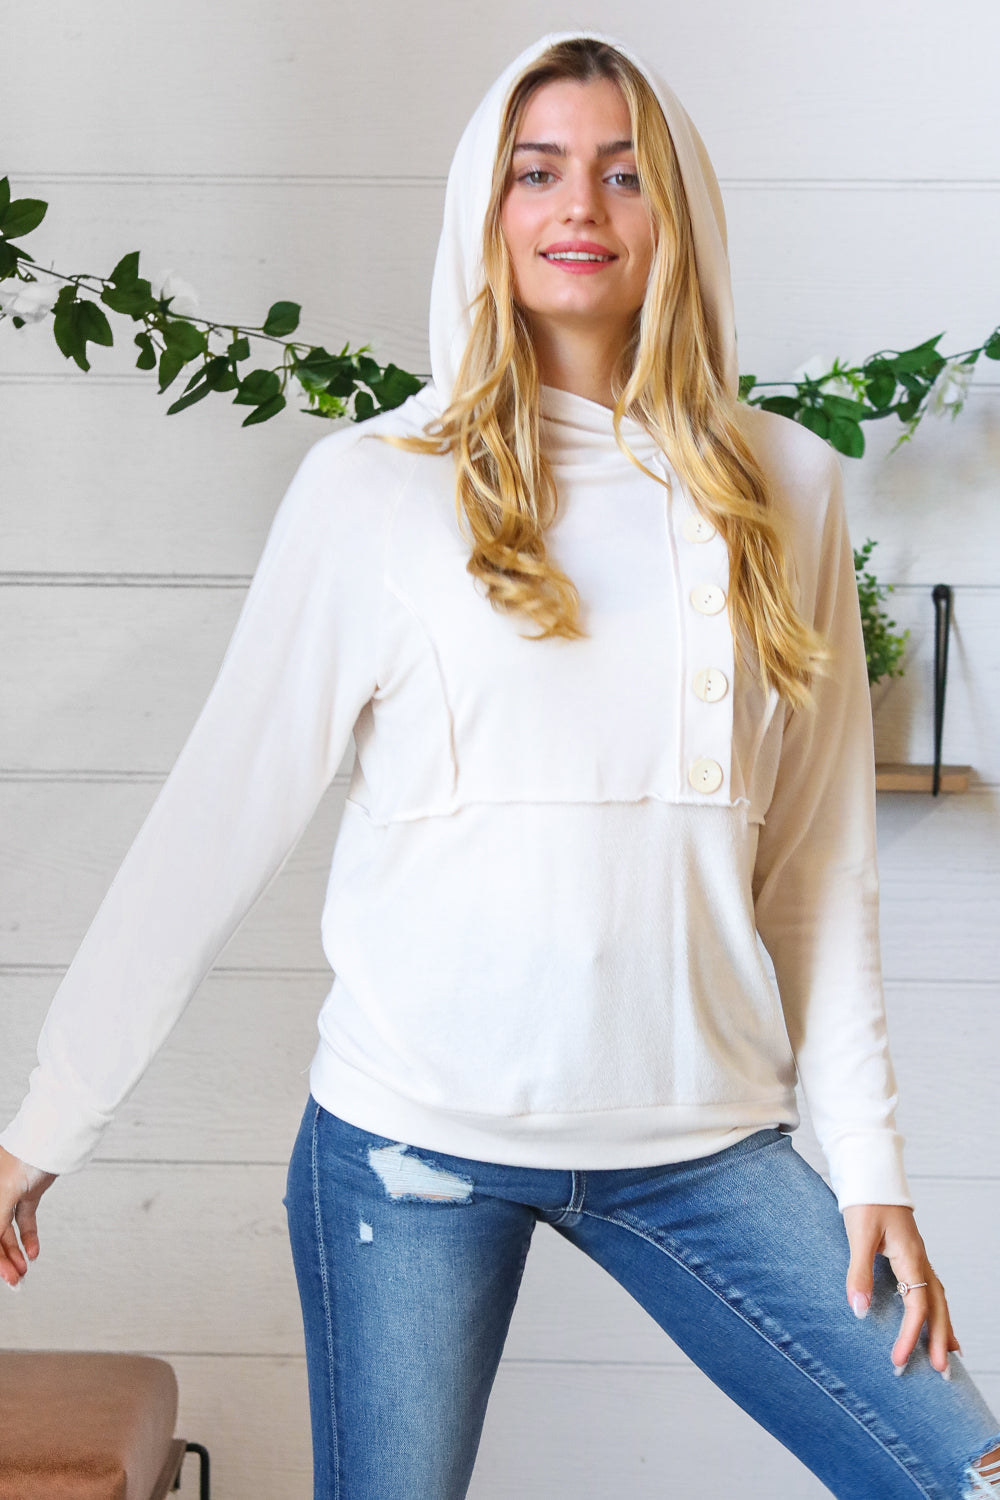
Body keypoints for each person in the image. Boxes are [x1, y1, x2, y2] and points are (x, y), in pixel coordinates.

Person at [2, 27, 999, 1499]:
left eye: (622, 173)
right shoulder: (373, 491)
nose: (579, 205)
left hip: (704, 1141)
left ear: (678, 214)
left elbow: (816, 874)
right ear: (488, 205)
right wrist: (44, 1126)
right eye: (537, 172)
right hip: (410, 1147)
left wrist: (873, 1171)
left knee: (962, 1474)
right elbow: (214, 824)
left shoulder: (785, 485)